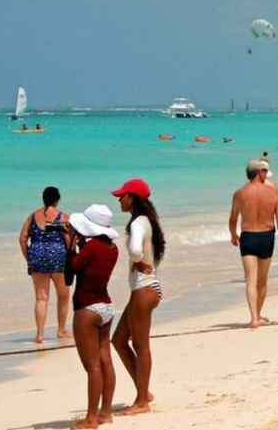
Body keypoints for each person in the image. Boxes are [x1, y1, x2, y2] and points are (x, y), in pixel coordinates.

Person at [111, 179, 165, 416]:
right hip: (145, 289)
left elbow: (134, 250)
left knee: (140, 344)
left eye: (123, 196)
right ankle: (144, 391)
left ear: (133, 198)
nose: (119, 199)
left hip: (144, 289)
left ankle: (142, 400)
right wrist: (139, 262)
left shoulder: (137, 223)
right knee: (119, 340)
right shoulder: (147, 221)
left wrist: (137, 261)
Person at [68, 205, 120, 429]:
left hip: (87, 309)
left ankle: (91, 419)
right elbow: (90, 268)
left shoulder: (90, 249)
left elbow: (70, 269)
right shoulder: (112, 249)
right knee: (105, 361)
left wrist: (70, 244)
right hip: (106, 306)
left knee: (92, 367)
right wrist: (79, 242)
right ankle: (105, 412)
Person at [230, 160, 278, 326]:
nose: (266, 174)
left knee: (250, 280)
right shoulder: (272, 193)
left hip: (248, 237)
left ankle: (254, 318)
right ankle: (258, 314)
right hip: (266, 237)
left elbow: (233, 219)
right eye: (264, 172)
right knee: (262, 282)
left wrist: (233, 235)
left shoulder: (239, 193)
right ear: (258, 173)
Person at [18, 186, 71, 343]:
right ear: (58, 199)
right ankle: (61, 330)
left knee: (41, 298)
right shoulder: (62, 218)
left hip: (37, 258)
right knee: (63, 295)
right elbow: (68, 240)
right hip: (58, 260)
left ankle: (40, 335)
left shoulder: (33, 216)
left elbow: (22, 239)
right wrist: (70, 256)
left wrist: (29, 258)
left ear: (43, 199)